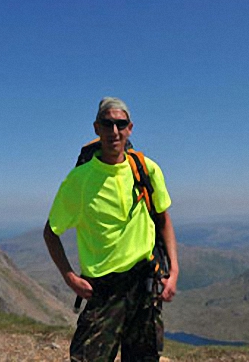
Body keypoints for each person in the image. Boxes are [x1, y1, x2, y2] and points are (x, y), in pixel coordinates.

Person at [43, 97, 179, 362]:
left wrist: (173, 270)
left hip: (143, 284)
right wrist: (69, 277)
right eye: (107, 124)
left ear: (130, 128)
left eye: (120, 124)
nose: (114, 131)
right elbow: (51, 232)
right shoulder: (79, 181)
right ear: (97, 128)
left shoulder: (146, 169)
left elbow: (162, 220)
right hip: (103, 289)